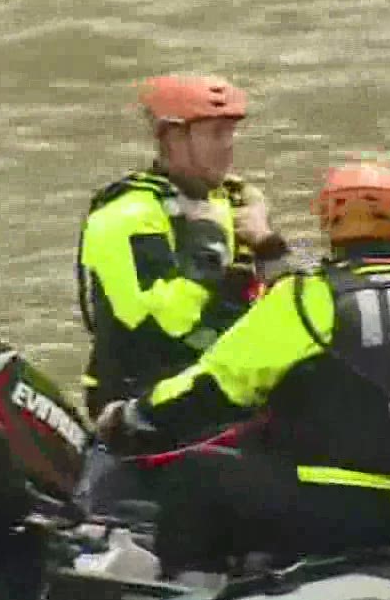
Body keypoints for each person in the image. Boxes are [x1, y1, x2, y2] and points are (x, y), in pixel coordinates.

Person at [93, 161, 390, 578]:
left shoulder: (303, 301)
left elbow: (213, 389)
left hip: (331, 512)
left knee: (194, 477)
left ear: (328, 224)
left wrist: (133, 417)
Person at [70, 74, 287, 514]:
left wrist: (269, 247)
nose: (227, 146)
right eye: (213, 134)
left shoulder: (234, 202)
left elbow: (280, 305)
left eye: (230, 133)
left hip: (224, 390)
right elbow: (161, 328)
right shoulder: (126, 216)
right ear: (171, 137)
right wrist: (211, 248)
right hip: (148, 401)